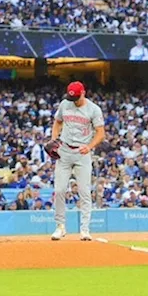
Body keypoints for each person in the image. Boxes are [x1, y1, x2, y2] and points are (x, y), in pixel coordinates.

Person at [50, 81, 105, 241]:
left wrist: (89, 146)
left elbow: (100, 133)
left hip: (82, 152)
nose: (73, 100)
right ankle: (60, 227)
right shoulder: (65, 104)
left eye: (76, 97)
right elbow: (57, 122)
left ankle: (85, 230)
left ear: (83, 93)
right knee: (59, 190)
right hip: (65, 151)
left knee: (84, 192)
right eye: (70, 97)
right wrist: (54, 140)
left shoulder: (94, 109)